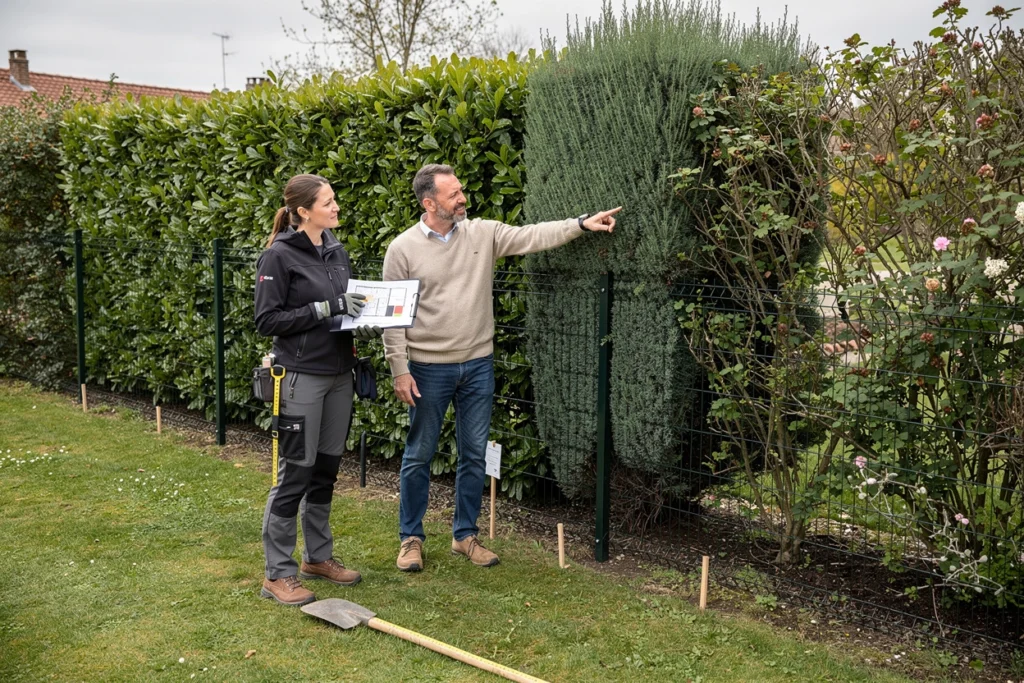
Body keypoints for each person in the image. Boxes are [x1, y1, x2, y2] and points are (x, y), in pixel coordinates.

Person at [383, 163, 620, 572]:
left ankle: (465, 536)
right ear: (429, 202)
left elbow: (533, 235)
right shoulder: (402, 249)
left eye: (461, 189)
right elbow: (392, 317)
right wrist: (399, 369)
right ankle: (411, 539)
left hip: (477, 365)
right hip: (427, 369)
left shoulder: (483, 233)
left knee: (474, 454)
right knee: (419, 454)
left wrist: (581, 224)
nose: (462, 197)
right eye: (453, 193)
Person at [254, 173, 383, 606]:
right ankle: (278, 573)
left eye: (335, 199)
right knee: (295, 473)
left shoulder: (335, 249)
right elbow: (267, 321)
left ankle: (318, 558)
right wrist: (325, 308)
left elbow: (339, 312)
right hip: (300, 377)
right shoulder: (278, 256)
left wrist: (360, 323)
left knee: (326, 470)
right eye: (329, 202)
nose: (337, 207)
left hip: (339, 375)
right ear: (303, 211)